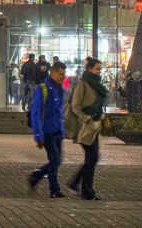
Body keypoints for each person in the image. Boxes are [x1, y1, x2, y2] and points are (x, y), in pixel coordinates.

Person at [67, 56, 108, 200]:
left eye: (100, 69)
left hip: (94, 126)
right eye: (97, 69)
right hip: (85, 127)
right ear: (89, 68)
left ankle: (77, 184)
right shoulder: (82, 83)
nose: (99, 72)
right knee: (93, 157)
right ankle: (85, 191)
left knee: (92, 157)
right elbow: (75, 105)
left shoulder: (96, 84)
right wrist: (87, 118)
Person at [28, 61, 68, 198]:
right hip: (48, 132)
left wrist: (62, 131)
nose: (63, 76)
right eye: (60, 74)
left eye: (64, 74)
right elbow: (36, 113)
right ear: (53, 72)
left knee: (57, 161)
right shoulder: (43, 89)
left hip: (57, 130)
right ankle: (54, 190)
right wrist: (39, 136)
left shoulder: (60, 89)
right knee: (55, 160)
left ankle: (36, 175)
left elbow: (60, 112)